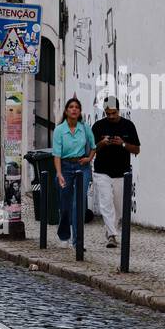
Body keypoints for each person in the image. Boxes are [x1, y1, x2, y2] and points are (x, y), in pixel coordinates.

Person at [90, 95, 141, 248]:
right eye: (108, 113)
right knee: (106, 203)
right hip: (101, 170)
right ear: (105, 111)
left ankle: (111, 229)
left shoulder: (128, 125)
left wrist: (123, 144)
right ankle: (112, 235)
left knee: (118, 206)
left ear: (119, 110)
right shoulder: (98, 126)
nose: (111, 116)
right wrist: (102, 143)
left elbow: (137, 149)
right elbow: (92, 148)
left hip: (121, 171)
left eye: (114, 113)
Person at [52, 96, 96, 248]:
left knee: (79, 204)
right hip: (64, 167)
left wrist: (89, 158)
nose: (74, 109)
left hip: (81, 167)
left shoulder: (84, 128)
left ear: (80, 111)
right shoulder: (59, 130)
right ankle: (64, 234)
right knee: (65, 205)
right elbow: (56, 155)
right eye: (71, 107)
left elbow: (94, 146)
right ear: (66, 111)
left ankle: (78, 241)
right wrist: (59, 173)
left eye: (77, 107)